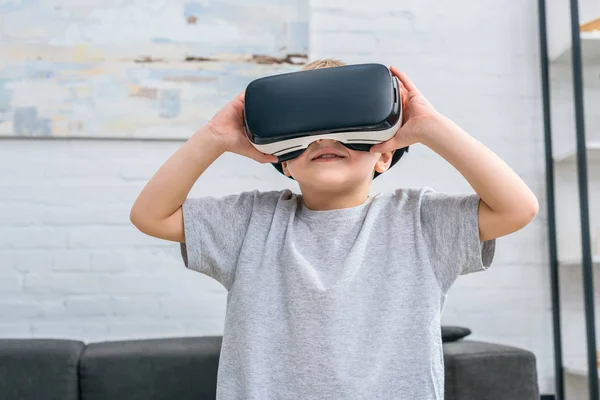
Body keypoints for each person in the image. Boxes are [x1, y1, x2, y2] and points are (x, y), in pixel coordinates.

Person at [130, 58, 539, 399]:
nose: (324, 138)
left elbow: (517, 208)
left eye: (346, 127)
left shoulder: (419, 221)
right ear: (284, 163)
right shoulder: (250, 222)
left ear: (384, 156)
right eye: (305, 131)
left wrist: (431, 126)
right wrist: (215, 137)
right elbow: (151, 215)